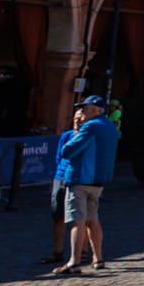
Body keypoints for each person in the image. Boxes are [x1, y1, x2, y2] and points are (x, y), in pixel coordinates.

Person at [52, 97, 119, 276]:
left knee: (77, 220)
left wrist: (72, 139)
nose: (82, 112)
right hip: (98, 180)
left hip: (81, 178)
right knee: (93, 218)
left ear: (97, 110)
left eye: (86, 108)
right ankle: (98, 258)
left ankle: (74, 262)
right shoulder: (110, 127)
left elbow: (68, 150)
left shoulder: (91, 127)